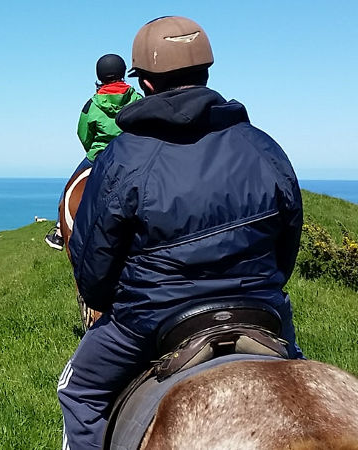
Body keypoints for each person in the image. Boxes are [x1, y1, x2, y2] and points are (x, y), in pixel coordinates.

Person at [57, 16, 304, 449]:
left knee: (79, 393)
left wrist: (105, 300)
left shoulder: (123, 156)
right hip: (261, 307)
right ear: (206, 73)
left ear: (146, 83)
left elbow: (94, 271)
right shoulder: (262, 144)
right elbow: (288, 241)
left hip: (151, 317)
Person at [45, 54, 142, 250]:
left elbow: (83, 133)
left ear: (100, 75)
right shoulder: (137, 98)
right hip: (132, 154)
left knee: (69, 189)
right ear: (123, 72)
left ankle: (58, 232)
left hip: (99, 156)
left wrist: (93, 150)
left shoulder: (91, 104)